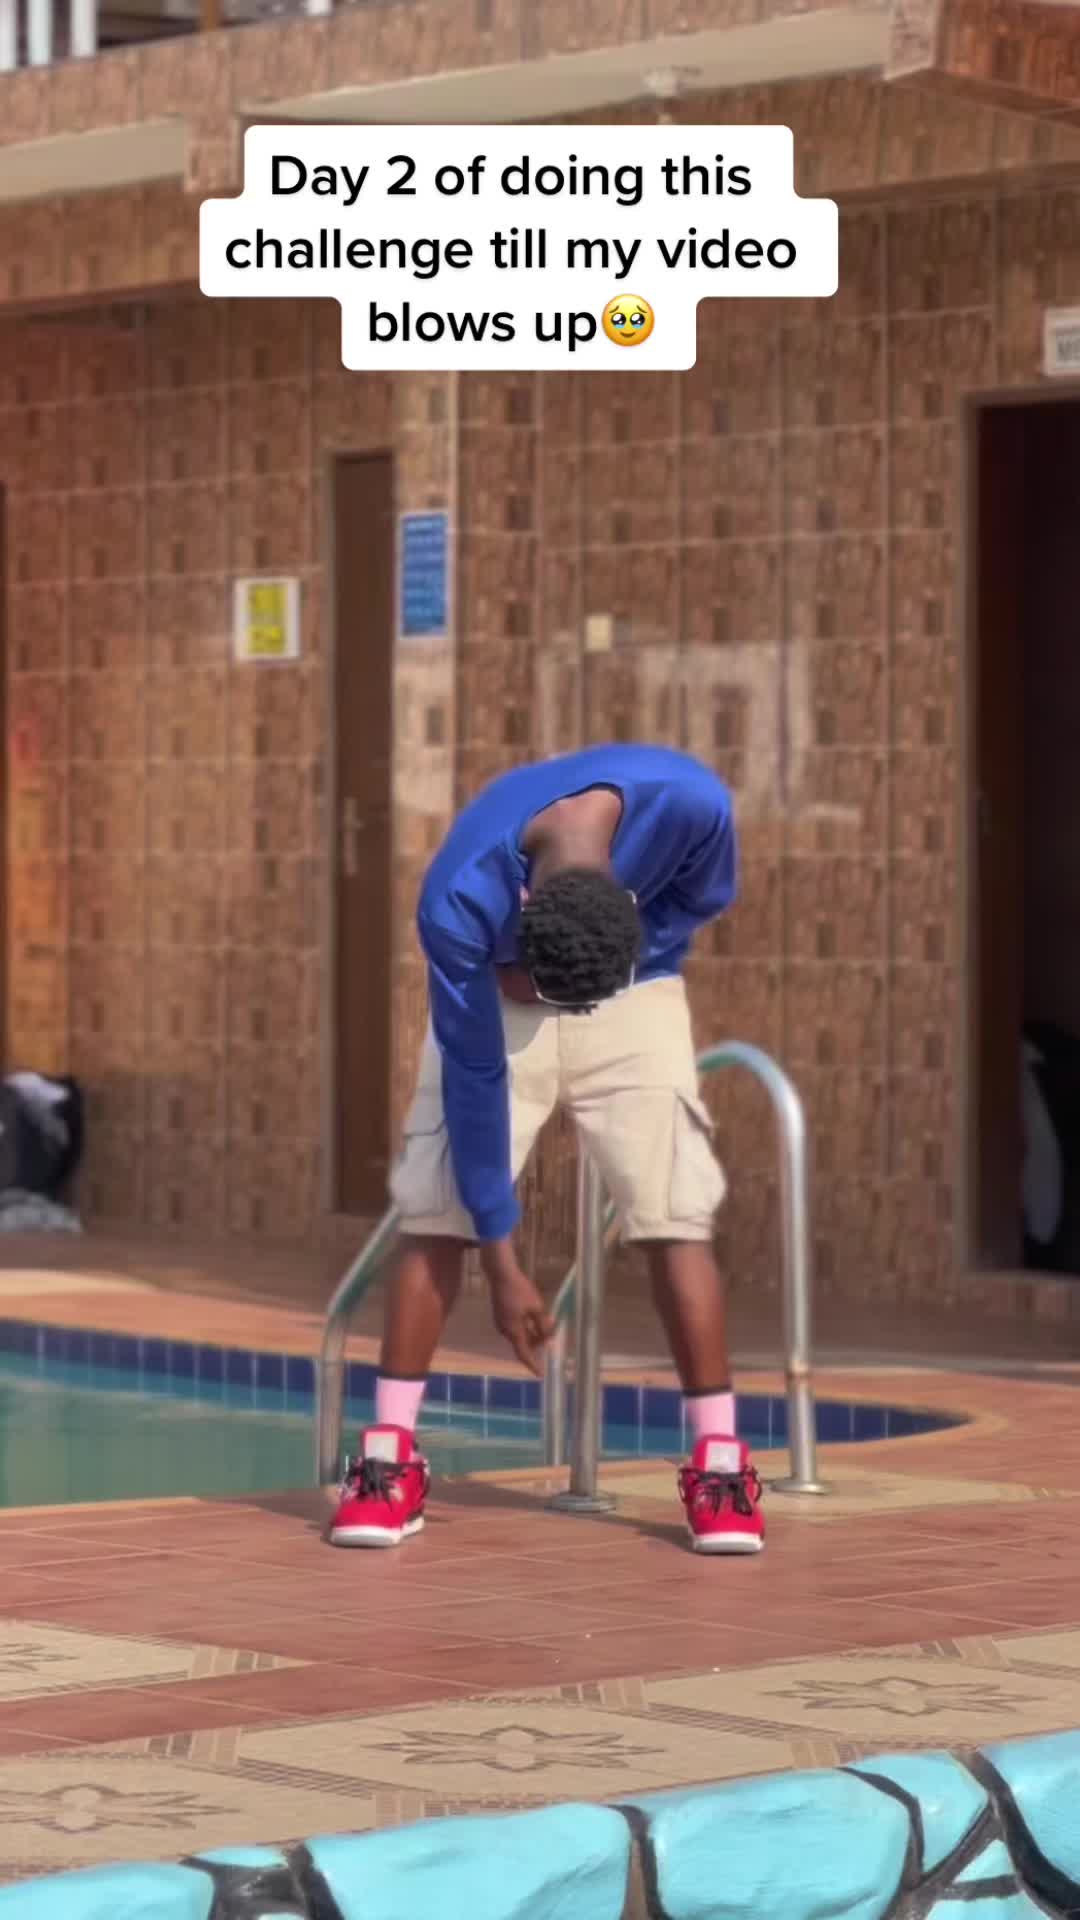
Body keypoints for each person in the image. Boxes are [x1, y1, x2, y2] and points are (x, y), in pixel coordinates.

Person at [329, 744, 764, 1556]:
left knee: (674, 1206)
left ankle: (720, 1467)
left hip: (636, 982)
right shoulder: (458, 901)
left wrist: (633, 957)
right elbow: (475, 1083)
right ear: (523, 902)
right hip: (501, 996)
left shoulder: (695, 804)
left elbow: (705, 894)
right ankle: (388, 1464)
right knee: (439, 1206)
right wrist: (503, 1262)